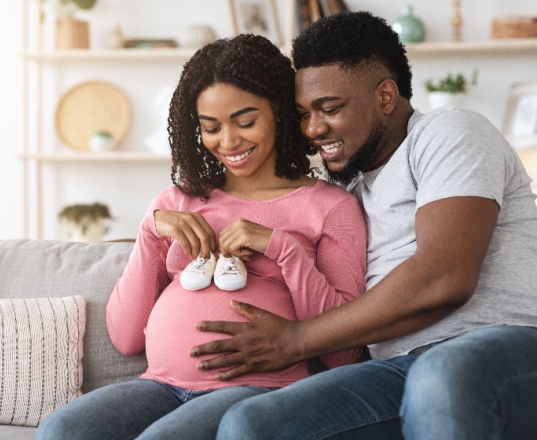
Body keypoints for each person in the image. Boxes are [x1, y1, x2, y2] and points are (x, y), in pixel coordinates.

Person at [186, 11, 537, 440]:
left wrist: (297, 340)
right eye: (302, 113)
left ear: (385, 96)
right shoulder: (344, 192)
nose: (313, 129)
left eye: (329, 108)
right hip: (397, 368)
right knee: (253, 424)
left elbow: (444, 278)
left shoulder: (447, 131)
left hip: (505, 349)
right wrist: (162, 225)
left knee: (442, 376)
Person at [34, 34, 367, 440]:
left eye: (245, 122)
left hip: (260, 389)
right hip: (158, 385)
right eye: (211, 128)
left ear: (279, 111)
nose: (228, 142)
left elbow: (345, 352)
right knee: (61, 430)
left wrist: (284, 249)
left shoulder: (328, 207)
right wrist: (151, 231)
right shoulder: (178, 201)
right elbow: (124, 337)